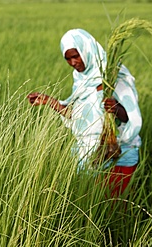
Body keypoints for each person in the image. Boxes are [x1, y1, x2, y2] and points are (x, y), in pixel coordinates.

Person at [27, 29, 142, 197]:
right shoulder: (81, 79)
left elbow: (131, 115)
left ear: (86, 49)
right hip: (90, 154)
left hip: (119, 152)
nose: (73, 62)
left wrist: (116, 108)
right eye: (68, 59)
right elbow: (78, 115)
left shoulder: (113, 73)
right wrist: (49, 102)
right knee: (91, 204)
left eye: (76, 56)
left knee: (115, 206)